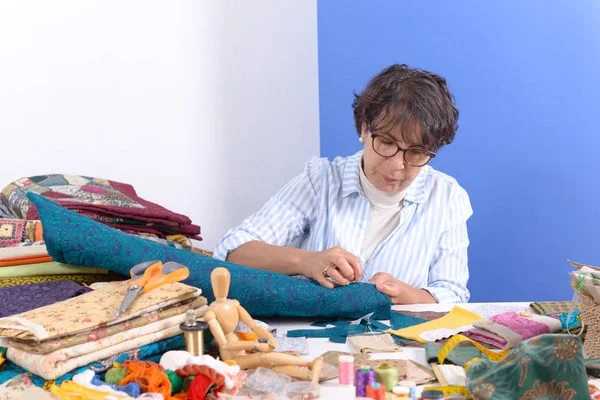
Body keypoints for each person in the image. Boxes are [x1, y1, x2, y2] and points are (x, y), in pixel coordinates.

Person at [213, 64, 472, 304]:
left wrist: (406, 294)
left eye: (416, 152)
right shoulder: (321, 180)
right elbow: (232, 250)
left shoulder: (447, 198)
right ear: (363, 129)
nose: (396, 165)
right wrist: (307, 261)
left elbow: (451, 294)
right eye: (386, 142)